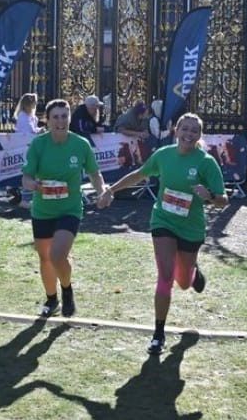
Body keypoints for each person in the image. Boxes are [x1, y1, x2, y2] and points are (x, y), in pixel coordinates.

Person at [98, 113, 227, 355]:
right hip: (163, 220)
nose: (188, 135)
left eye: (194, 131)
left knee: (183, 283)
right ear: (175, 130)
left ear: (199, 135)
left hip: (191, 227)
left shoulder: (206, 162)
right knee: (165, 275)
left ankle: (193, 271)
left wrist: (208, 195)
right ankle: (158, 333)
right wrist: (111, 190)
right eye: (184, 129)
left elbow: (223, 199)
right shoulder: (164, 155)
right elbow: (139, 174)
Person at [21, 98, 107, 319]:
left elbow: (94, 174)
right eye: (55, 117)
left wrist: (101, 192)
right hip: (42, 210)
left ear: (69, 118)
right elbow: (27, 177)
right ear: (47, 120)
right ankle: (51, 299)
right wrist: (32, 184)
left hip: (69, 209)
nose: (60, 121)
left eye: (64, 116)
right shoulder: (39, 144)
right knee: (45, 258)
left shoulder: (80, 145)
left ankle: (67, 290)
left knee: (57, 254)